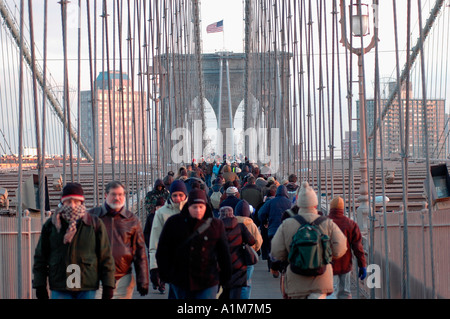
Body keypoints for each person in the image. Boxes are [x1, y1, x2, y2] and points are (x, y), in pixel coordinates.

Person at [33, 183, 115, 299]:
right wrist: (40, 285)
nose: (72, 205)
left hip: (87, 286)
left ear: (81, 202)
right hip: (60, 286)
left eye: (76, 201)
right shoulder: (51, 225)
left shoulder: (94, 224)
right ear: (62, 202)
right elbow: (41, 257)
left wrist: (108, 285)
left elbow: (105, 256)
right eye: (68, 201)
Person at [270, 181, 347, 299]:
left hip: (296, 279)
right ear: (315, 204)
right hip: (321, 278)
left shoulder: (288, 223)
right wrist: (326, 256)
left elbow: (276, 251)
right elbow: (340, 247)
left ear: (298, 203)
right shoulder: (326, 223)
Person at [156, 189, 232, 299]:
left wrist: (225, 279)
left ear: (206, 206)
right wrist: (166, 275)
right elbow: (163, 251)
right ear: (188, 207)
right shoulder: (174, 223)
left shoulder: (215, 225)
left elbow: (224, 254)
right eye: (194, 207)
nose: (198, 210)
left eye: (201, 207)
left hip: (208, 280)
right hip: (181, 280)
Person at [90, 181, 149, 299]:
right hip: (97, 278)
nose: (117, 198)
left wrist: (143, 279)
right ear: (106, 195)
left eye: (120, 194)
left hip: (123, 279)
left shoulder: (132, 220)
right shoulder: (92, 217)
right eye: (113, 194)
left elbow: (140, 252)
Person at [148, 179, 188, 294]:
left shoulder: (193, 209)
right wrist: (154, 267)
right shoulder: (161, 213)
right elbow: (155, 240)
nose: (178, 198)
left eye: (181, 195)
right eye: (175, 195)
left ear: (185, 195)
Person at [327, 196, 367, 299]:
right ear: (342, 208)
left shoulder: (324, 222)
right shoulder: (350, 224)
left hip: (329, 264)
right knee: (345, 292)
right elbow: (358, 247)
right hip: (345, 264)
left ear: (331, 207)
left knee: (331, 292)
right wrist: (362, 264)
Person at [218, 206, 256, 299]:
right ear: (232, 215)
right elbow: (252, 241)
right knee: (236, 292)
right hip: (239, 265)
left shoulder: (217, 227)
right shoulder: (240, 226)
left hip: (222, 265)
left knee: (225, 291)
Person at [258, 185, 292, 275]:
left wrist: (265, 221)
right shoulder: (290, 203)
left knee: (272, 249)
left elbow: (261, 213)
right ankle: (284, 268)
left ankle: (272, 268)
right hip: (286, 232)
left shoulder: (270, 202)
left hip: (272, 230)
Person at [234, 200, 263, 299]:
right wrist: (254, 250)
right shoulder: (252, 225)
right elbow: (258, 241)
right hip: (248, 256)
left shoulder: (232, 223)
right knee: (246, 282)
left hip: (234, 256)